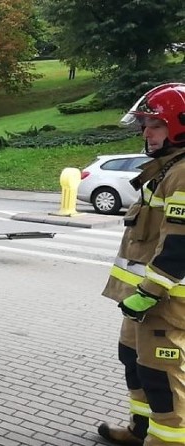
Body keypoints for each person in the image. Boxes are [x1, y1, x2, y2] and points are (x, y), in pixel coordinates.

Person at [98, 82, 185, 445]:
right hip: (142, 299)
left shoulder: (183, 173)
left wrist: (149, 293)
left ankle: (166, 440)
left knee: (162, 376)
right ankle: (141, 429)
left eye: (155, 124)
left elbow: (180, 246)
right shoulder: (166, 168)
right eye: (145, 124)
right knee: (133, 360)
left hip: (164, 301)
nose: (146, 132)